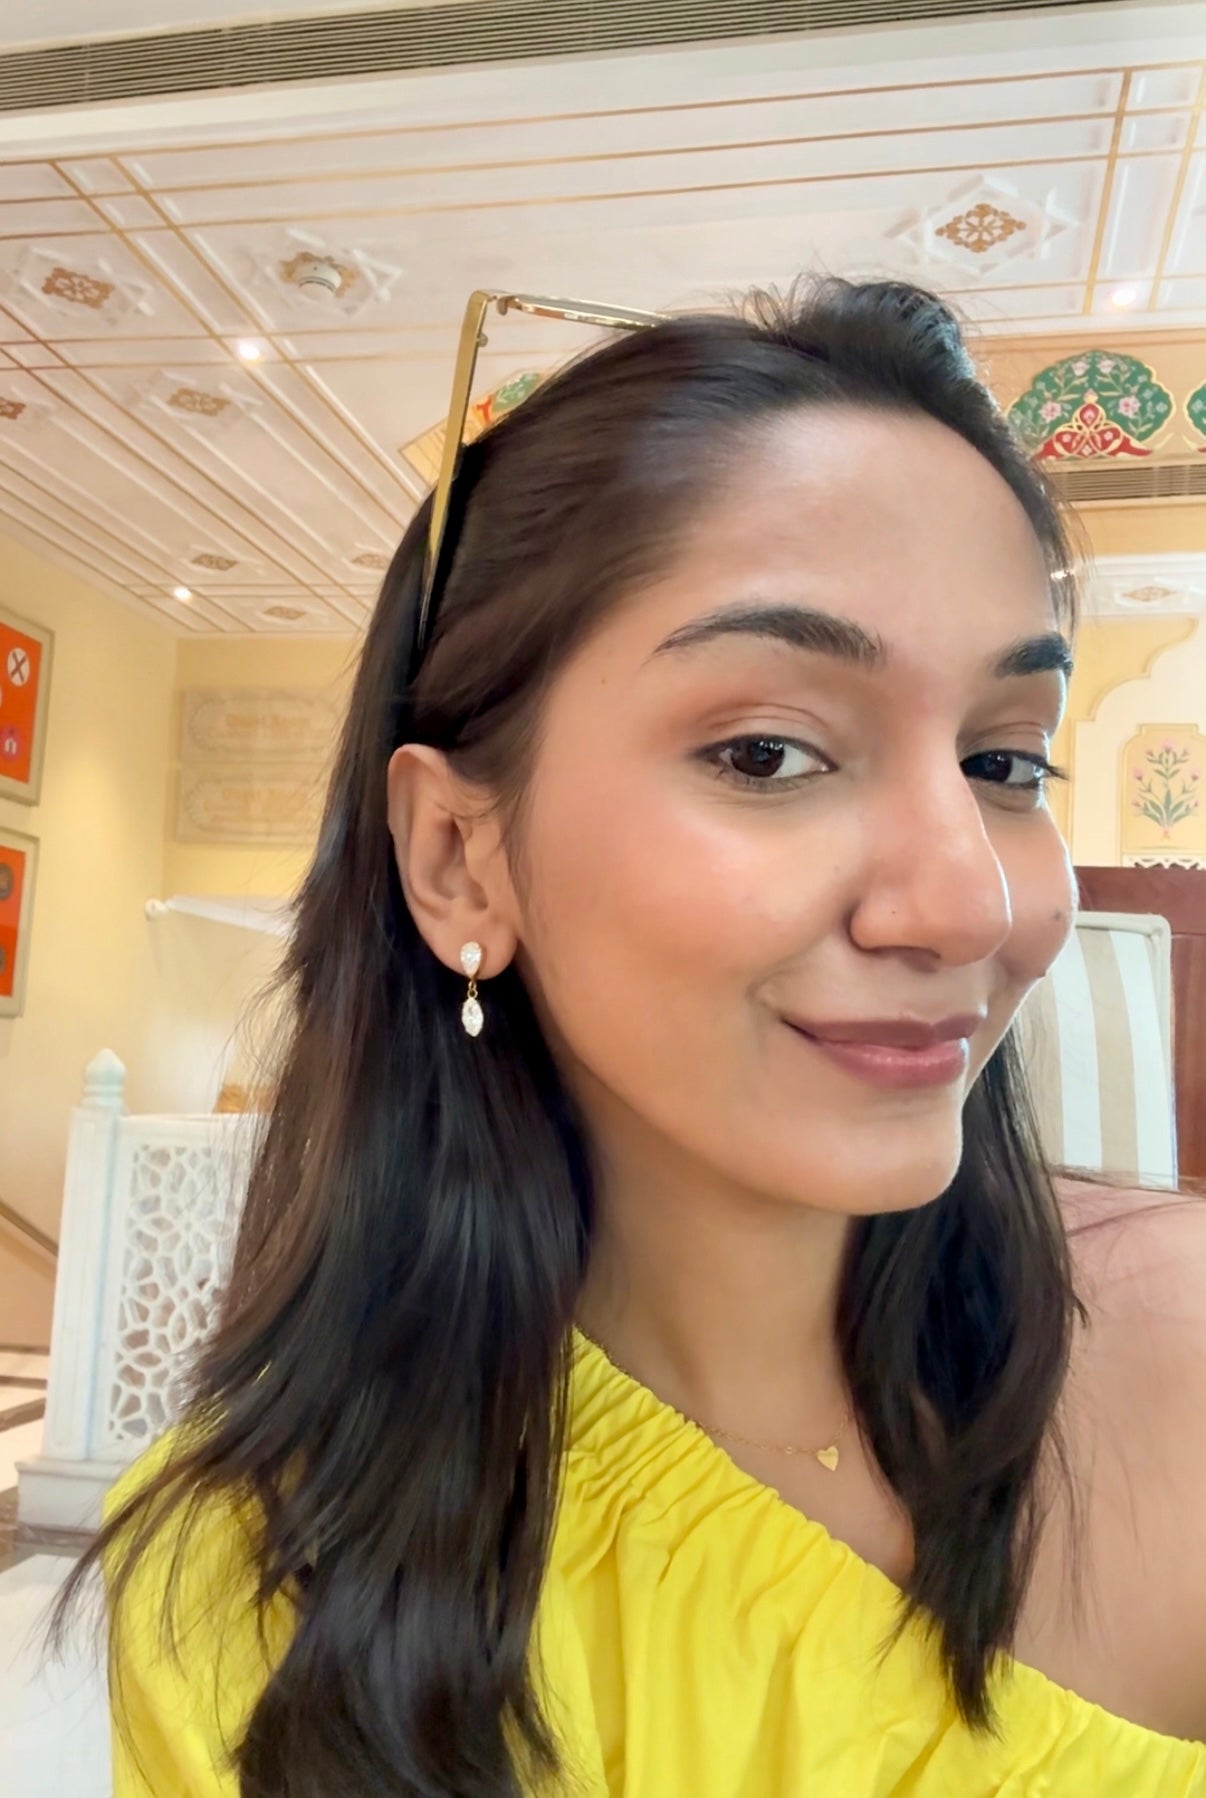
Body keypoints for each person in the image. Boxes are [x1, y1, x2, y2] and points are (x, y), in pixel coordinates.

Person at [60, 277, 1206, 1795]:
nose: (967, 902)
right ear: (459, 856)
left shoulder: (1182, 1366)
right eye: (769, 752)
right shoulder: (250, 1584)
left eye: (1003, 762)